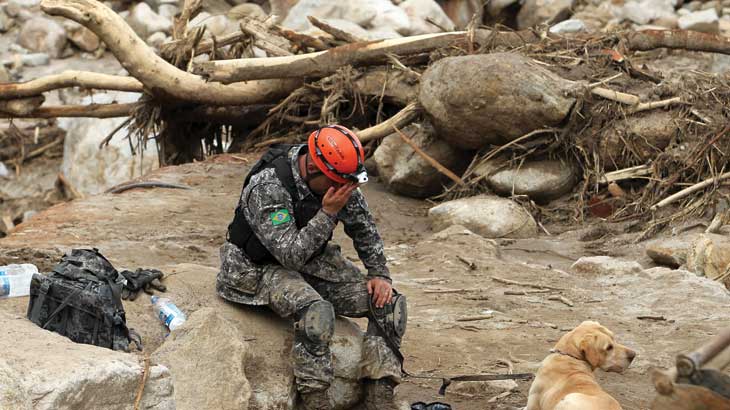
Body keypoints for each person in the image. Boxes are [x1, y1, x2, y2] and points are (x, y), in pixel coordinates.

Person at [217, 124, 406, 410]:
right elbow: (288, 255)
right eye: (337, 183)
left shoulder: (338, 179)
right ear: (316, 170)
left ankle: (379, 396)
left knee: (389, 304)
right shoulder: (268, 186)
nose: (345, 190)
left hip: (310, 258)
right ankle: (316, 399)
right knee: (317, 312)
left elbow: (363, 227)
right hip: (258, 267)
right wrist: (328, 213)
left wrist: (379, 273)